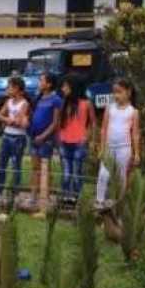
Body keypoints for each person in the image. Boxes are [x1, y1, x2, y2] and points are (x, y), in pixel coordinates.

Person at [96, 79, 141, 206]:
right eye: (114, 92)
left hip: (124, 149)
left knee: (121, 177)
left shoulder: (133, 112)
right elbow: (104, 129)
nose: (116, 95)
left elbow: (135, 134)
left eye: (119, 92)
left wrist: (136, 153)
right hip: (109, 148)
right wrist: (102, 148)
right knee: (103, 174)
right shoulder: (109, 108)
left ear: (128, 92)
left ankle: (118, 203)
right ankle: (99, 201)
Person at [0, 76, 30, 205]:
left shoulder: (24, 103)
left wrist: (11, 120)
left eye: (10, 87)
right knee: (1, 164)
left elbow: (18, 121)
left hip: (18, 138)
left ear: (17, 89)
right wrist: (8, 120)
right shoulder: (8, 101)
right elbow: (0, 115)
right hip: (6, 135)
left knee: (16, 166)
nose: (8, 89)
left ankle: (15, 193)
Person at [58, 74, 96, 203]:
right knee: (66, 172)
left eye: (65, 86)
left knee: (76, 171)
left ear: (73, 87)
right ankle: (65, 196)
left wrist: (88, 138)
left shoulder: (86, 103)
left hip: (79, 142)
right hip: (64, 141)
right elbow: (60, 122)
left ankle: (77, 197)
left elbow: (93, 123)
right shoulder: (64, 103)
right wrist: (59, 137)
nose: (63, 88)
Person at [28, 73, 62, 217]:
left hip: (46, 139)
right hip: (34, 137)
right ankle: (33, 195)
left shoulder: (56, 100)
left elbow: (55, 122)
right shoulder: (38, 98)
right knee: (35, 167)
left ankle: (45, 195)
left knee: (45, 168)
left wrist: (43, 136)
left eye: (41, 80)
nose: (39, 82)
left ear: (49, 84)